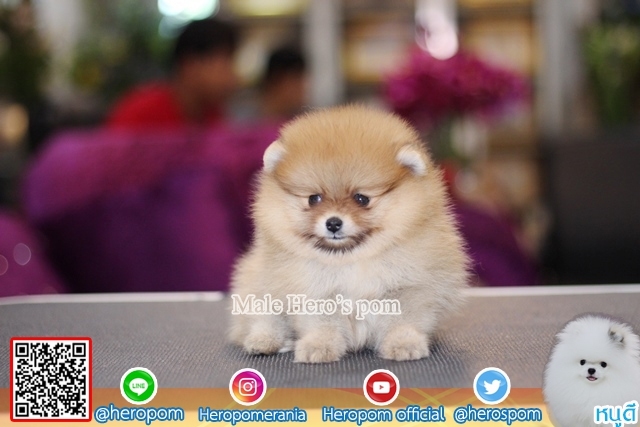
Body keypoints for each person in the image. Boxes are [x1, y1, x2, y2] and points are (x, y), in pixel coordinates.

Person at [106, 18, 239, 130]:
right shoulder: (141, 113)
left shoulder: (213, 115)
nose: (232, 77)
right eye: (225, 64)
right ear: (190, 64)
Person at [256, 46, 307, 122]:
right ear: (277, 79)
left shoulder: (300, 120)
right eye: (297, 79)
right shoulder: (247, 122)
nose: (303, 87)